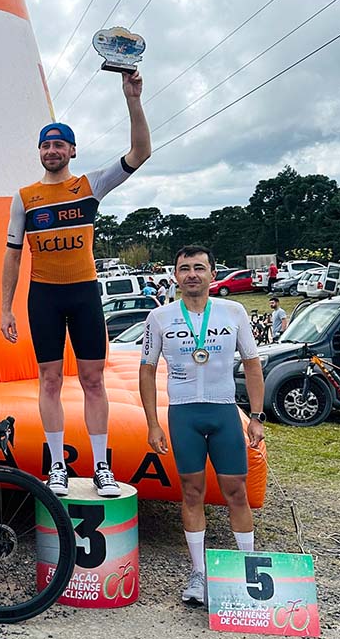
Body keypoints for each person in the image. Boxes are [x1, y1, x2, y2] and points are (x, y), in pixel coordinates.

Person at [1, 70, 150, 497]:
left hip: (84, 292)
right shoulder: (25, 197)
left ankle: (102, 466)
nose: (51, 150)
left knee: (93, 381)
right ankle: (58, 467)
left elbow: (140, 152)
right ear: (40, 151)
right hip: (43, 295)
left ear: (71, 149)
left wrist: (132, 98)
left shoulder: (89, 185)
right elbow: (13, 254)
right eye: (45, 145)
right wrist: (5, 307)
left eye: (58, 144)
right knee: (48, 381)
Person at [139, 245, 265, 606]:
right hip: (183, 414)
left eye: (199, 267)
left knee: (235, 492)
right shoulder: (160, 317)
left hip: (225, 412)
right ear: (175, 276)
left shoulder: (234, 311)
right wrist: (152, 424)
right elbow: (146, 371)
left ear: (212, 273)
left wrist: (256, 417)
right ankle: (199, 574)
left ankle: (246, 569)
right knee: (191, 492)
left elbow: (253, 365)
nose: (191, 274)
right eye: (184, 269)